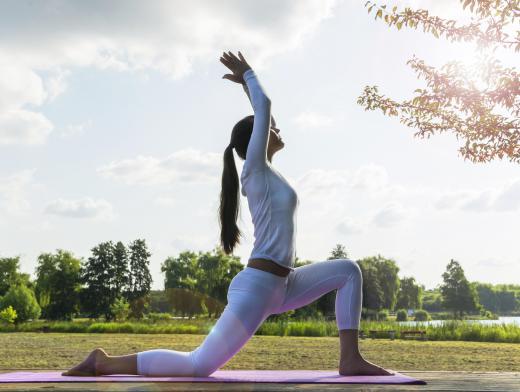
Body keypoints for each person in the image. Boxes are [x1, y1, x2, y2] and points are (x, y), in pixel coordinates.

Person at [62, 51, 393, 378]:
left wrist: (246, 90)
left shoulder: (268, 175)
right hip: (260, 287)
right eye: (271, 129)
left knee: (349, 271)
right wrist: (249, 75)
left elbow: (260, 115)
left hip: (284, 283)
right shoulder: (255, 170)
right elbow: (264, 109)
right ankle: (103, 362)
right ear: (256, 142)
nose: (278, 130)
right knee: (198, 365)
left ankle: (350, 358)